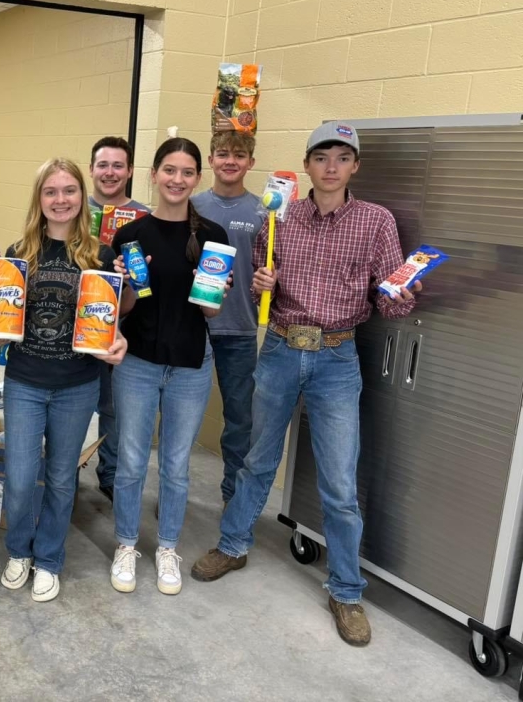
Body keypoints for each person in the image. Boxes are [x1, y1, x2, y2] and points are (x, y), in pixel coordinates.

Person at [191, 123, 422, 647]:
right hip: (278, 347)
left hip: (338, 356)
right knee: (257, 460)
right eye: (322, 157)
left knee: (339, 485)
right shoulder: (280, 216)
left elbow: (389, 301)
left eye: (343, 158)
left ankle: (346, 591)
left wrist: (405, 293)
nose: (332, 167)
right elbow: (260, 277)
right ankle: (233, 543)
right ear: (308, 164)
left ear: (355, 166)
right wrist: (261, 282)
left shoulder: (376, 222)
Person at [0, 158, 128, 602]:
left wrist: (118, 335)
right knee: (18, 477)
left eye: (69, 190)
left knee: (60, 478)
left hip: (77, 383)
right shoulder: (17, 255)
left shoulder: (101, 256)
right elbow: (1, 318)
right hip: (25, 382)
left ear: (82, 197)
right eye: (51, 191)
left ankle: (49, 558)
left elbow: (108, 322)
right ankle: (19, 550)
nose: (60, 199)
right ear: (39, 200)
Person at [108, 137, 230, 596]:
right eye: (169, 170)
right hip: (137, 363)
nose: (177, 180)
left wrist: (214, 290)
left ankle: (166, 549)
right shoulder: (130, 236)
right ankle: (125, 545)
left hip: (190, 366)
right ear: (154, 175)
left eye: (187, 172)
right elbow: (120, 311)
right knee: (132, 462)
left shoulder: (213, 236)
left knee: (177, 466)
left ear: (197, 179)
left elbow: (211, 313)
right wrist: (121, 283)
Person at [191, 131, 262, 505]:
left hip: (241, 330)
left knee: (239, 420)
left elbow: (272, 267)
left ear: (250, 162)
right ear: (211, 160)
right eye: (222, 154)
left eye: (239, 155)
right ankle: (174, 491)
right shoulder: (192, 206)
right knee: (183, 418)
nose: (230, 161)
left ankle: (233, 496)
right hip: (194, 327)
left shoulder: (263, 213)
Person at [88, 136, 150, 504]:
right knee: (76, 400)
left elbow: (148, 283)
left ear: (129, 171)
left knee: (115, 406)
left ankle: (110, 474)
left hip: (128, 322)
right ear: (92, 169)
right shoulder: (74, 210)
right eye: (102, 165)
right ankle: (63, 468)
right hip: (79, 320)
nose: (109, 173)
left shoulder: (143, 217)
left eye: (117, 166)